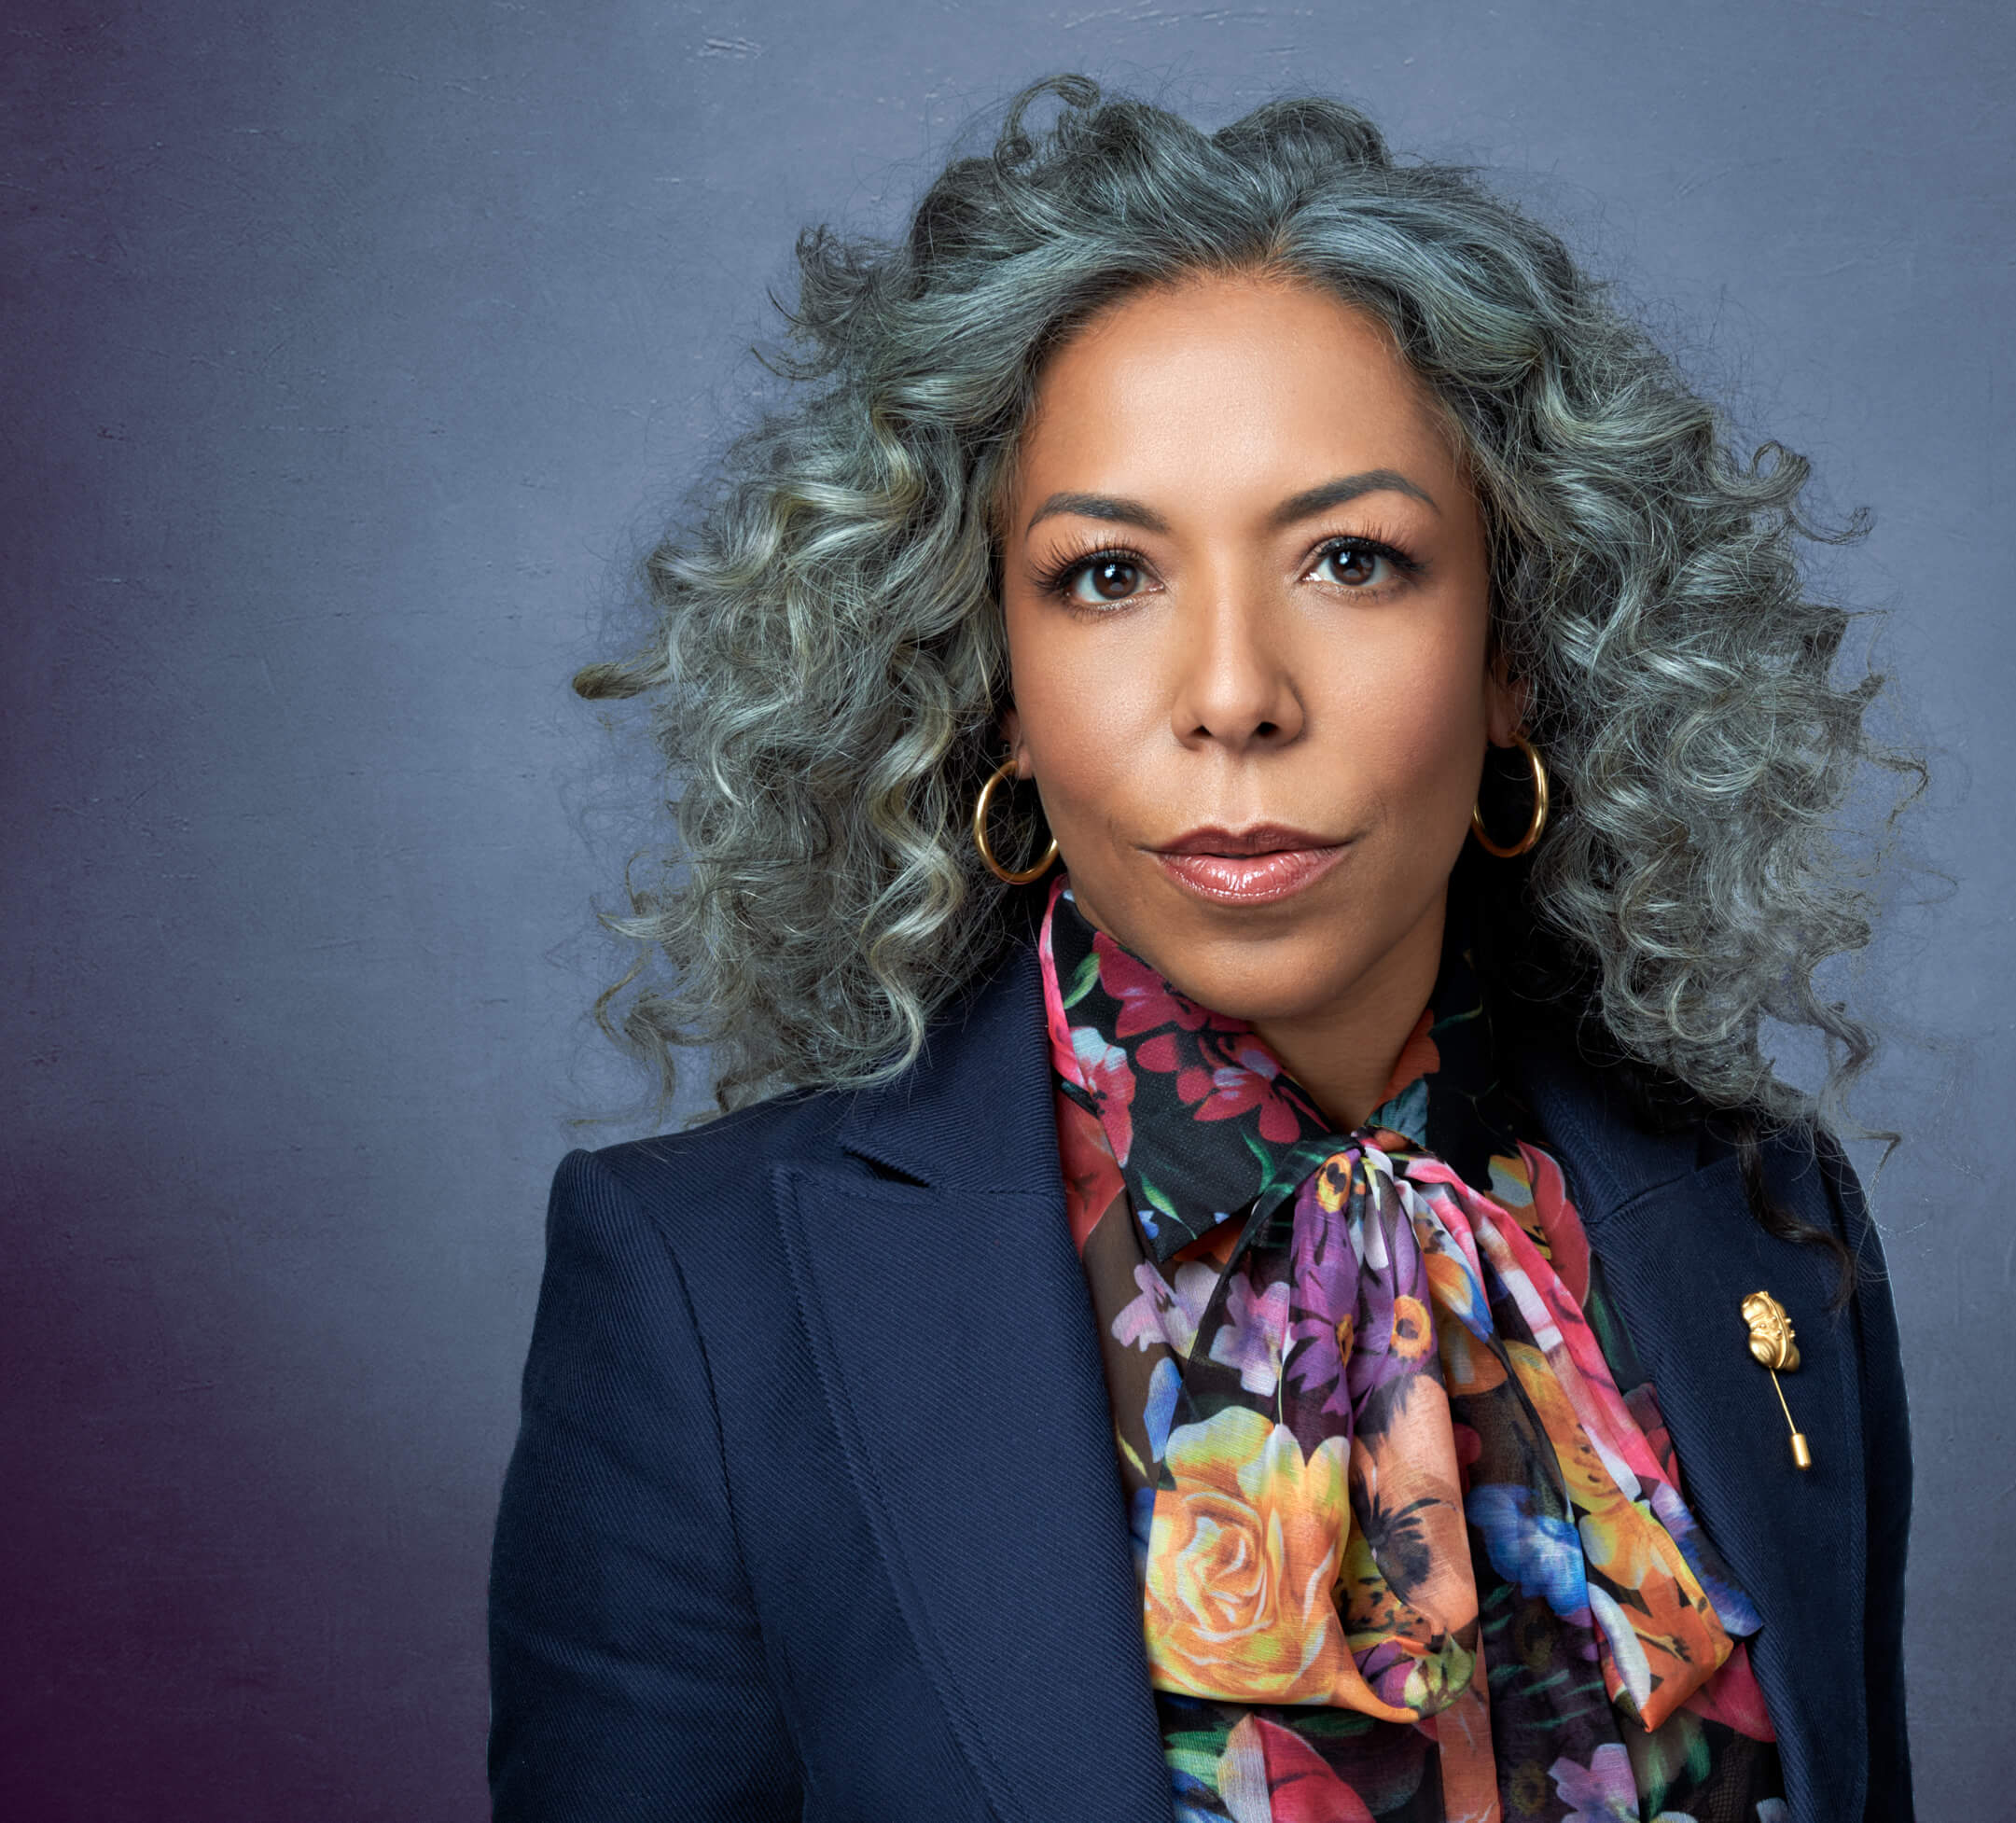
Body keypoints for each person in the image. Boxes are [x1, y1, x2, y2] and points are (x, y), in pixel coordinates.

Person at [490, 75, 1915, 1823]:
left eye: (1350, 557)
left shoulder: (1759, 1220)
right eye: (1106, 576)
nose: (1233, 694)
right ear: (990, 674)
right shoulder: (702, 1297)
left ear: (1513, 655)